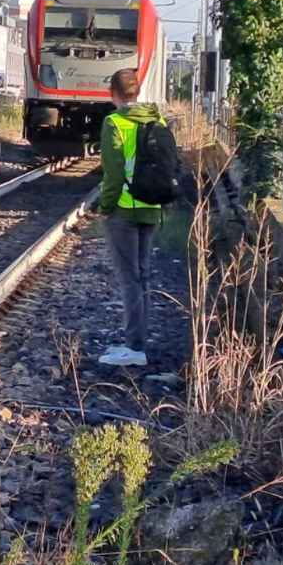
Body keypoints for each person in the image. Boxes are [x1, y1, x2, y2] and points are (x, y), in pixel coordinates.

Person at [98, 68, 166, 368]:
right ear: (136, 92)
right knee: (143, 275)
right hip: (151, 207)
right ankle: (138, 341)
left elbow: (113, 173)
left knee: (130, 279)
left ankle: (135, 347)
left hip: (124, 211)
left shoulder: (114, 122)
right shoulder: (158, 119)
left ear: (113, 93)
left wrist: (105, 206)